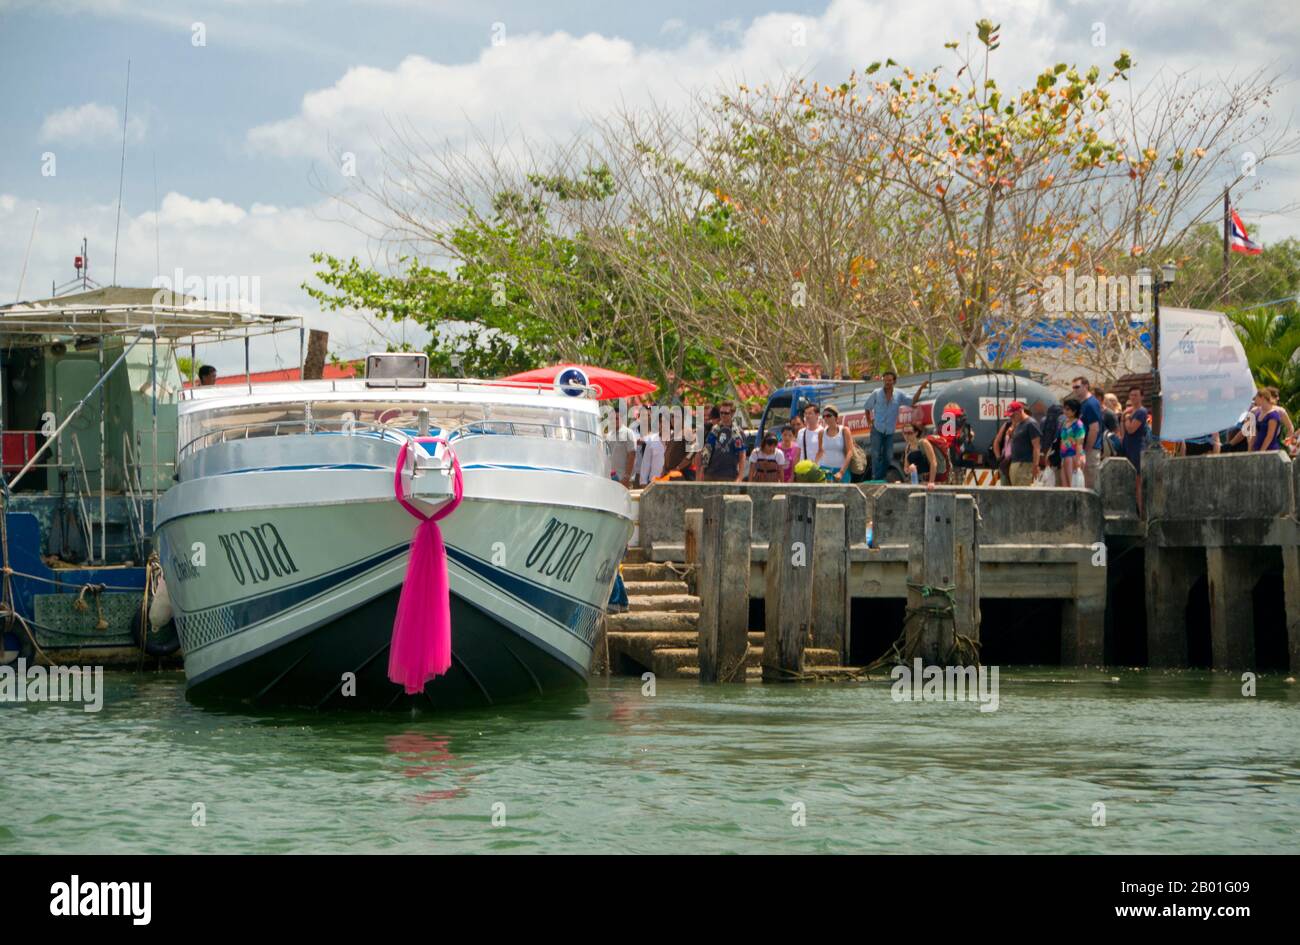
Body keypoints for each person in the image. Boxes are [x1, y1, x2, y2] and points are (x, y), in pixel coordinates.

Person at [863, 371, 911, 480]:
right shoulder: (876, 393)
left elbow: (911, 401)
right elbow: (867, 407)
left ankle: (881, 476)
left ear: (894, 381)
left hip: (889, 431)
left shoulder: (899, 394)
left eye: (889, 380)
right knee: (876, 454)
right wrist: (869, 421)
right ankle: (877, 478)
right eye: (885, 380)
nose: (887, 382)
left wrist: (921, 389)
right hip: (877, 429)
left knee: (888, 456)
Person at [700, 402, 747, 482]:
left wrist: (740, 477)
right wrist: (701, 472)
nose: (723, 415)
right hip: (710, 474)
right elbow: (707, 450)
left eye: (726, 413)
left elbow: (742, 455)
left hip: (729, 475)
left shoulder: (738, 432)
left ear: (732, 413)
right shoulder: (714, 430)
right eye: (721, 413)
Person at [1071, 377, 1103, 488]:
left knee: (1090, 486)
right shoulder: (1082, 404)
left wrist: (1086, 451)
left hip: (1090, 450)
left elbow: (1094, 429)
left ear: (1086, 386)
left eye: (1077, 387)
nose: (1074, 390)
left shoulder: (1091, 403)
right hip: (1082, 450)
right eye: (1073, 387)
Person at [1005, 401, 1041, 486]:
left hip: (1025, 464)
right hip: (1016, 463)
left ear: (1020, 411)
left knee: (1022, 493)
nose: (1011, 418)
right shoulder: (1018, 424)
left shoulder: (1031, 424)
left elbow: (1036, 446)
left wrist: (1035, 466)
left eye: (1013, 415)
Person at [814, 405, 853, 483]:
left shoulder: (844, 430)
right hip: (824, 470)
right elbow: (820, 451)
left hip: (841, 470)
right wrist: (814, 466)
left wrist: (841, 472)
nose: (825, 418)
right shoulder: (821, 432)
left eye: (828, 415)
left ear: (835, 417)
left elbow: (850, 452)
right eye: (824, 416)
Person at [605, 405, 638, 487]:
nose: (614, 421)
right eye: (611, 418)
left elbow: (632, 455)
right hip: (610, 479)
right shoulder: (609, 435)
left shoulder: (628, 433)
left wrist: (626, 477)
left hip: (623, 479)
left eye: (616, 418)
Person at [1059, 398, 1086, 487]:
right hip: (1064, 456)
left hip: (1073, 456)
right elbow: (1062, 440)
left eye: (1068, 409)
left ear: (1074, 411)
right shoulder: (1065, 422)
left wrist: (1078, 460)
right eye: (1064, 408)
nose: (1065, 411)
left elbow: (1079, 443)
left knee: (1072, 485)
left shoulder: (1078, 424)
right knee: (1065, 486)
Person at [902, 422, 938, 488]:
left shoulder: (923, 443)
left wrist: (931, 482)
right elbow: (906, 468)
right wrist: (909, 469)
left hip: (926, 481)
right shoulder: (908, 448)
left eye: (909, 433)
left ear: (916, 433)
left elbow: (933, 462)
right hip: (915, 481)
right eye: (904, 433)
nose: (906, 436)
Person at [637, 412, 667, 486]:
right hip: (654, 482)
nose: (663, 425)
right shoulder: (652, 439)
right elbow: (646, 462)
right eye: (660, 422)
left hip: (671, 481)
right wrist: (643, 482)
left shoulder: (675, 439)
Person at [795, 403, 821, 471]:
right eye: (805, 413)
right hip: (803, 471)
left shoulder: (822, 432)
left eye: (810, 413)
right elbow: (798, 453)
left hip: (817, 470)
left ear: (817, 415)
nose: (807, 416)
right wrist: (793, 473)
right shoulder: (801, 432)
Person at [1102, 392, 1123, 457]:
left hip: (1113, 444)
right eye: (1110, 400)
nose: (1112, 402)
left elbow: (1116, 433)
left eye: (1113, 400)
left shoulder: (1116, 414)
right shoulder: (1104, 413)